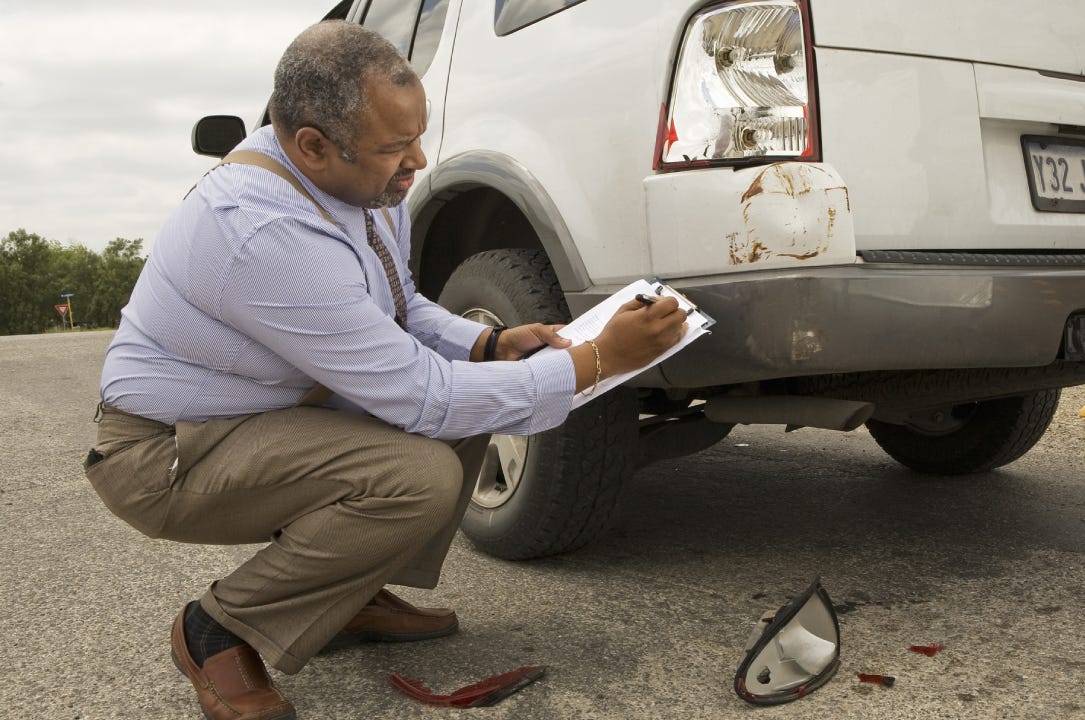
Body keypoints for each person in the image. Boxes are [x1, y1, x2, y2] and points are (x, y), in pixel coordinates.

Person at [85, 20, 686, 720]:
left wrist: (487, 345)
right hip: (165, 451)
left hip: (255, 417)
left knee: (472, 404)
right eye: (396, 147)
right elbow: (422, 399)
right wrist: (599, 360)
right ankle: (217, 628)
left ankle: (344, 597)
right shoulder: (262, 231)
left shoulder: (354, 187)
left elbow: (397, 305)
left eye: (418, 136)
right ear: (312, 144)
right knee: (417, 475)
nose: (418, 161)